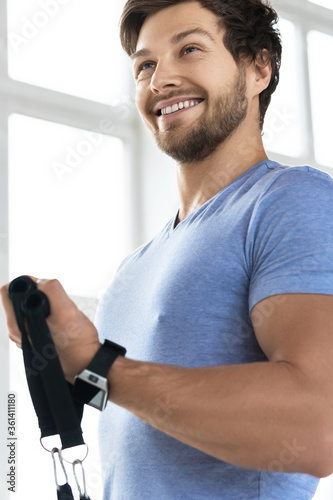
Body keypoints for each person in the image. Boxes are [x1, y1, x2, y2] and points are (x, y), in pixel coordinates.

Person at [2, 0, 333, 498]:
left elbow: (319, 426)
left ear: (258, 67)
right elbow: (123, 408)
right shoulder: (131, 270)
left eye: (190, 49)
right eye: (145, 65)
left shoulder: (292, 202)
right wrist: (58, 356)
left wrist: (97, 362)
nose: (161, 80)